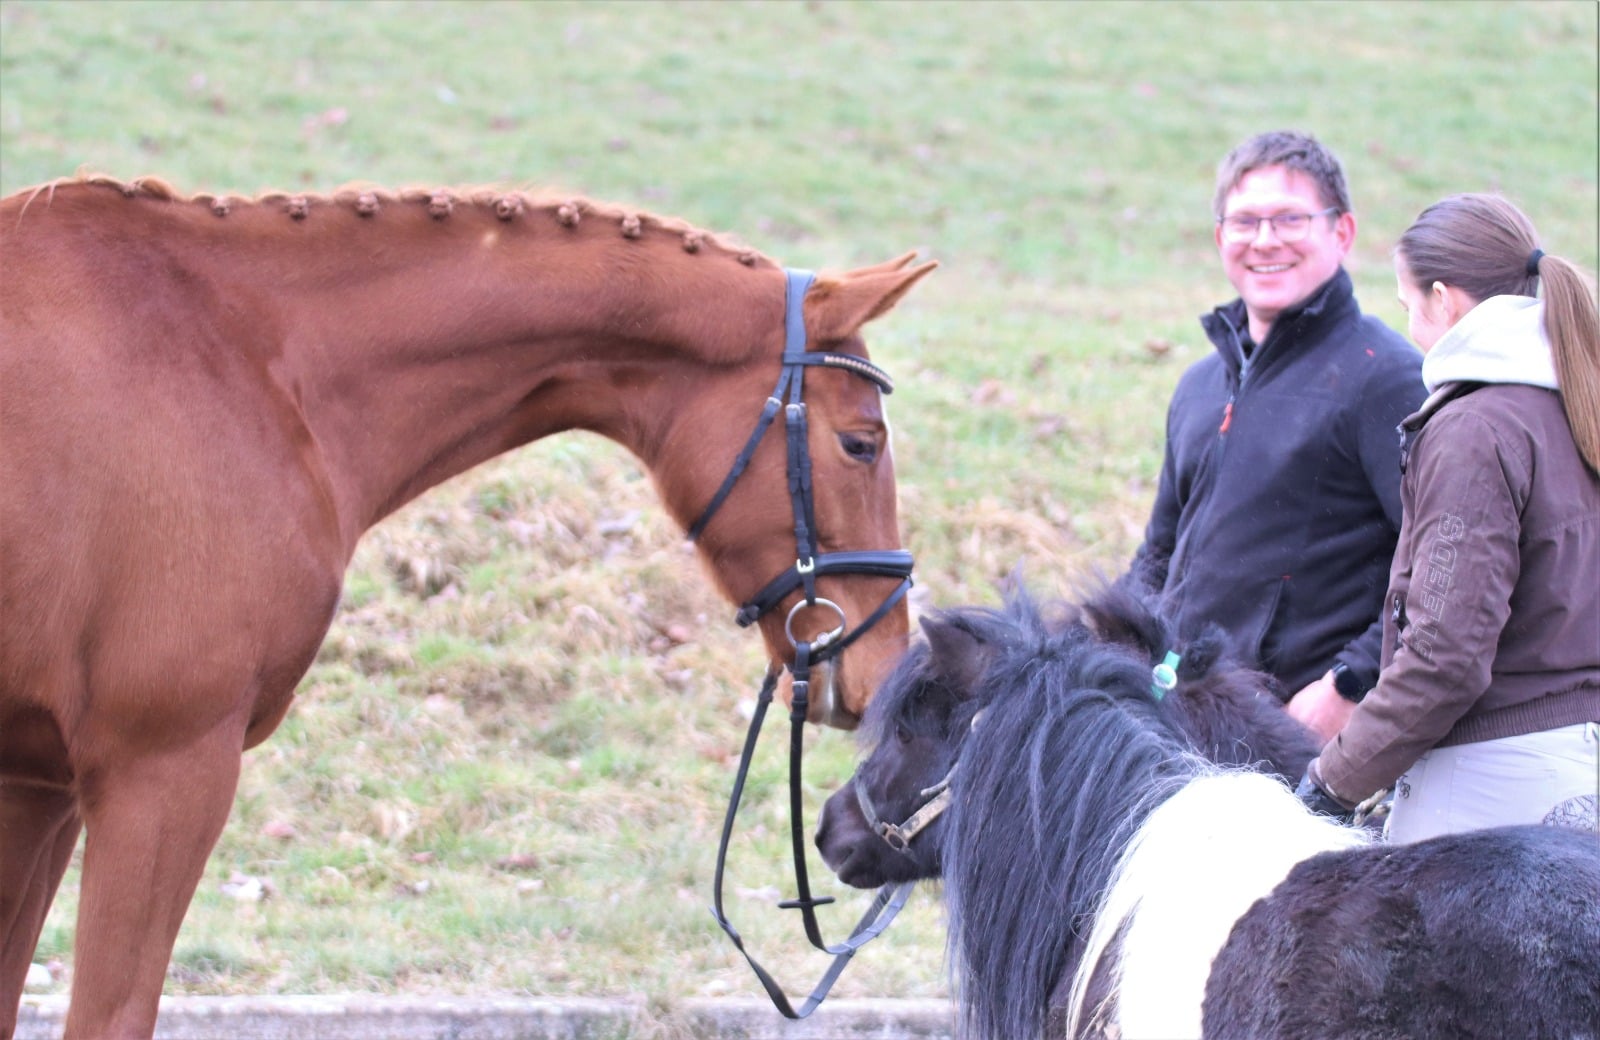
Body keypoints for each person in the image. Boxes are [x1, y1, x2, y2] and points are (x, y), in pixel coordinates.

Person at [1300, 194, 1600, 841]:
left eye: (1409, 308)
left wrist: (1330, 783)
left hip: (1489, 801)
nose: (1412, 327)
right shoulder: (1577, 410)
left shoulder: (1473, 430)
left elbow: (1445, 658)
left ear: (1444, 299)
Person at [1128, 131, 1424, 727]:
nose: (1264, 241)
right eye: (1244, 223)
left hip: (1291, 744)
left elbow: (1440, 566)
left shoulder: (1386, 380)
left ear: (1342, 232)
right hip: (1177, 722)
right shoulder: (1200, 385)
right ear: (1220, 238)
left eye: (1289, 219)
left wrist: (1348, 683)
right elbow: (1159, 553)